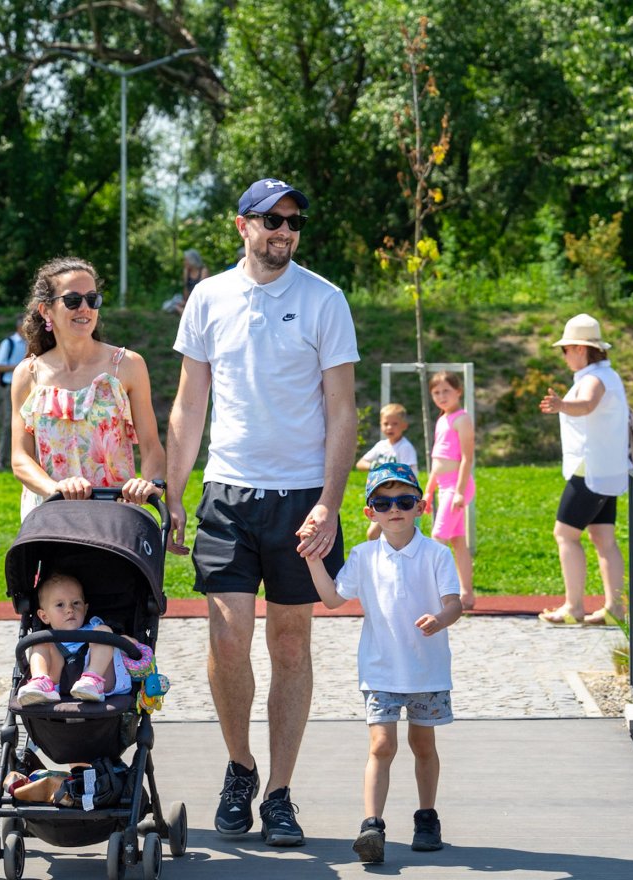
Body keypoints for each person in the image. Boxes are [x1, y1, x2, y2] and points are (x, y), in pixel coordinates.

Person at [165, 177, 359, 847]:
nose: (284, 230)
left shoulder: (324, 300)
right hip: (228, 493)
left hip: (303, 497)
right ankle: (239, 768)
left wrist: (331, 505)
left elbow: (343, 411)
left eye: (294, 220)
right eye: (271, 219)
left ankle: (278, 792)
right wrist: (173, 493)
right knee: (225, 637)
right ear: (241, 225)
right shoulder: (209, 298)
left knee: (291, 643)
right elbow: (190, 405)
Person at [302, 462, 461, 863]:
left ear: (421, 507)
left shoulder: (437, 554)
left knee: (423, 744)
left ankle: (427, 818)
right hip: (380, 670)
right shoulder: (363, 555)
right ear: (369, 511)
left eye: (405, 501)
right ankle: (372, 825)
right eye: (384, 502)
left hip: (427, 670)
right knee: (382, 744)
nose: (395, 509)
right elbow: (334, 599)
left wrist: (440, 619)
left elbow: (454, 604)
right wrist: (312, 560)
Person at [10, 256, 164, 519]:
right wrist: (55, 489)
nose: (85, 308)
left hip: (113, 519)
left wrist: (149, 484)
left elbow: (151, 446)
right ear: (46, 310)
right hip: (49, 517)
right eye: (73, 300)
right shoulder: (28, 374)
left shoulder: (127, 365)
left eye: (92, 299)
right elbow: (20, 458)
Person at [537, 313, 629, 626]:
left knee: (564, 534)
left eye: (565, 350)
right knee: (603, 537)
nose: (564, 356)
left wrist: (562, 406)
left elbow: (588, 404)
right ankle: (615, 608)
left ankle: (573, 605)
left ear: (579, 348)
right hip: (608, 471)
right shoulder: (609, 375)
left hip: (588, 472)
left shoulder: (593, 380)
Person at [13, 571, 132, 703]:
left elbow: (125, 644)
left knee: (103, 633)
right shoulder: (48, 638)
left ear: (85, 609)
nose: (70, 609)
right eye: (60, 605)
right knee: (39, 642)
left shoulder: (95, 627)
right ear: (44, 616)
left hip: (102, 680)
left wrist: (127, 643)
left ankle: (92, 680)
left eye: (76, 603)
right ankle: (40, 682)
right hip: (57, 681)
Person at [421, 371, 476, 610]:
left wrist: (461, 492)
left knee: (438, 538)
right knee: (457, 541)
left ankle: (436, 594)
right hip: (443, 487)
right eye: (436, 392)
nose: (441, 396)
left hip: (456, 487)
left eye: (446, 391)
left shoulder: (461, 419)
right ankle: (467, 594)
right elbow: (437, 461)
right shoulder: (441, 419)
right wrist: (428, 491)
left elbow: (467, 457)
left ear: (458, 391)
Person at [356, 402, 419, 541]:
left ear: (404, 425)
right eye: (386, 423)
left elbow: (409, 476)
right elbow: (360, 463)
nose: (389, 427)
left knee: (395, 536)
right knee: (376, 535)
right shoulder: (380, 446)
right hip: (383, 499)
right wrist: (377, 466)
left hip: (402, 500)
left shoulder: (405, 448)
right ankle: (376, 558)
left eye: (395, 423)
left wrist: (388, 470)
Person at [0, 314, 28, 471]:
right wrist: (20, 367)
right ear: (19, 327)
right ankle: (2, 459)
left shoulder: (32, 343)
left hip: (30, 387)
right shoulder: (9, 343)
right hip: (12, 386)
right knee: (9, 423)